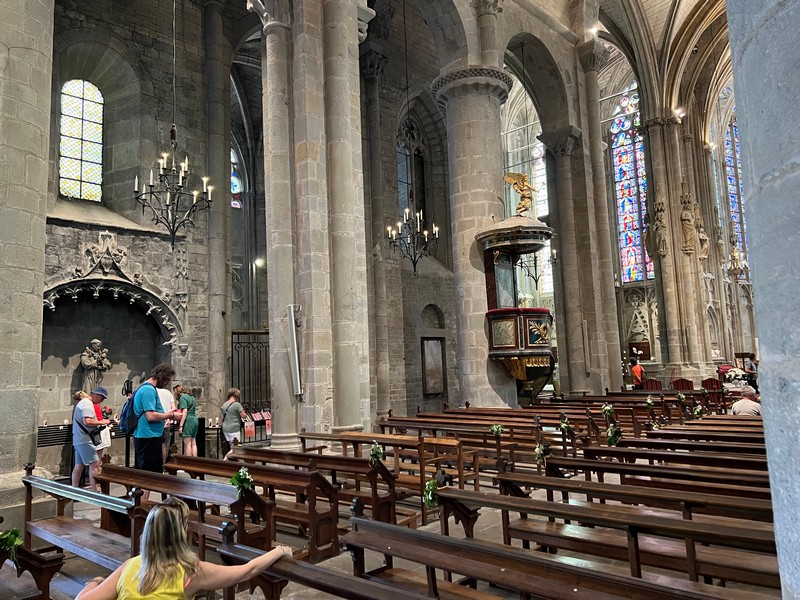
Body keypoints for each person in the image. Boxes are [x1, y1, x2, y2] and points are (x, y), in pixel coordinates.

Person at [74, 497, 293, 599]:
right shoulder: (190, 572)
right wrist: (279, 551)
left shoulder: (131, 567)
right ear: (181, 532)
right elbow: (247, 570)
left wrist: (95, 581)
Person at [132, 364, 180, 492]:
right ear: (161, 376)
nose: (167, 383)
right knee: (149, 478)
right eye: (167, 379)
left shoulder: (146, 388)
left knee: (149, 477)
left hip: (148, 436)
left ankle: (143, 502)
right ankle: (142, 503)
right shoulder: (148, 390)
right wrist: (171, 415)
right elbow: (150, 416)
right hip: (148, 437)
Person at [72, 387, 112, 492]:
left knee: (79, 466)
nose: (101, 401)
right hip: (85, 440)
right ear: (97, 395)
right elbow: (87, 421)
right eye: (102, 398)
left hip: (79, 439)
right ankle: (95, 492)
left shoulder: (82, 402)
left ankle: (74, 490)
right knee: (95, 464)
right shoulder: (87, 404)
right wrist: (103, 422)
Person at [221, 387, 247, 459]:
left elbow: (222, 417)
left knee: (232, 446)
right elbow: (243, 416)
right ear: (236, 395)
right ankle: (225, 459)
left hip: (225, 429)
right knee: (235, 448)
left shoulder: (224, 404)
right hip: (234, 429)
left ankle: (233, 461)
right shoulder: (237, 405)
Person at [174, 385, 199, 457]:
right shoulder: (192, 397)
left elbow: (184, 411)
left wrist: (181, 425)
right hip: (194, 419)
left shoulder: (183, 398)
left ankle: (188, 461)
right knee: (193, 443)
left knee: (187, 444)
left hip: (188, 421)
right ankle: (195, 461)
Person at [158, 385, 176, 463]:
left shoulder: (154, 392)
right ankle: (163, 464)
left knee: (157, 445)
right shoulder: (168, 393)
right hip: (167, 421)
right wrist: (167, 415)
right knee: (164, 445)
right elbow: (174, 408)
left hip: (158, 421)